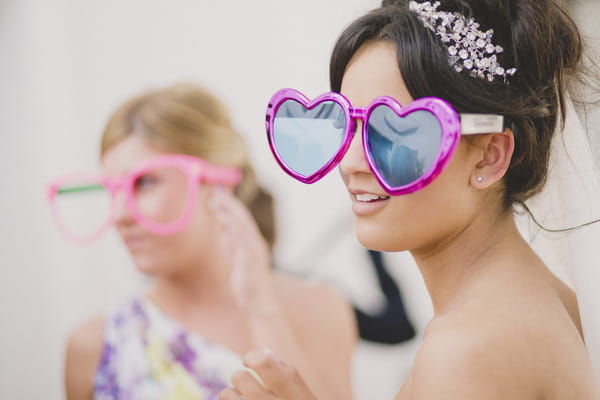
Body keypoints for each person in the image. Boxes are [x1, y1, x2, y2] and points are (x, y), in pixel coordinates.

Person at [222, 0, 600, 399]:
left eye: (396, 130)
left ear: (490, 156)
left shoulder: (469, 348)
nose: (351, 162)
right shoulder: (554, 302)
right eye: (346, 124)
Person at [50, 83, 356, 399]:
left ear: (217, 183)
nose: (119, 215)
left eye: (144, 182)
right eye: (112, 189)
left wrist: (262, 307)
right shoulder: (94, 347)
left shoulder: (318, 310)